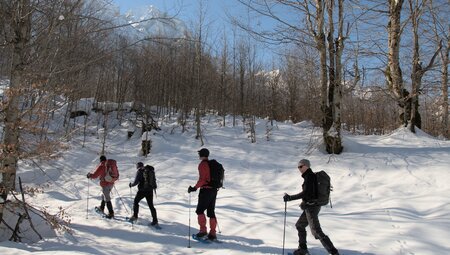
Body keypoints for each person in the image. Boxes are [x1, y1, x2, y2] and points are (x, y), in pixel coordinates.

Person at [283, 159, 340, 255]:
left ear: (306, 166)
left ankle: (333, 252)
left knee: (316, 231)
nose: (299, 169)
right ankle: (302, 249)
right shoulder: (309, 177)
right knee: (300, 225)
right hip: (310, 206)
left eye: (301, 166)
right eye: (298, 167)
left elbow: (306, 193)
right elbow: (309, 193)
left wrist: (290, 198)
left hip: (312, 207)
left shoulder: (310, 177)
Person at [188, 148, 218, 241]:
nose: (198, 155)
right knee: (211, 212)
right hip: (214, 190)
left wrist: (194, 188)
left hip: (206, 190)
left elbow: (203, 179)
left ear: (202, 154)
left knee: (200, 210)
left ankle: (203, 231)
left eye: (199, 154)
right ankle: (212, 233)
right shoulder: (212, 164)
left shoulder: (203, 165)